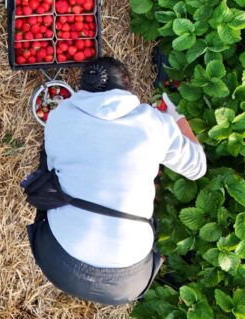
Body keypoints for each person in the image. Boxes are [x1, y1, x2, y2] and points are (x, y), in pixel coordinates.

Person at [25, 57, 206, 305]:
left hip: (59, 263)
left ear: (81, 88)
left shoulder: (59, 118)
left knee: (50, 163)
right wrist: (176, 117)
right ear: (128, 89)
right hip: (124, 285)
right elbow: (198, 167)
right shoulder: (154, 124)